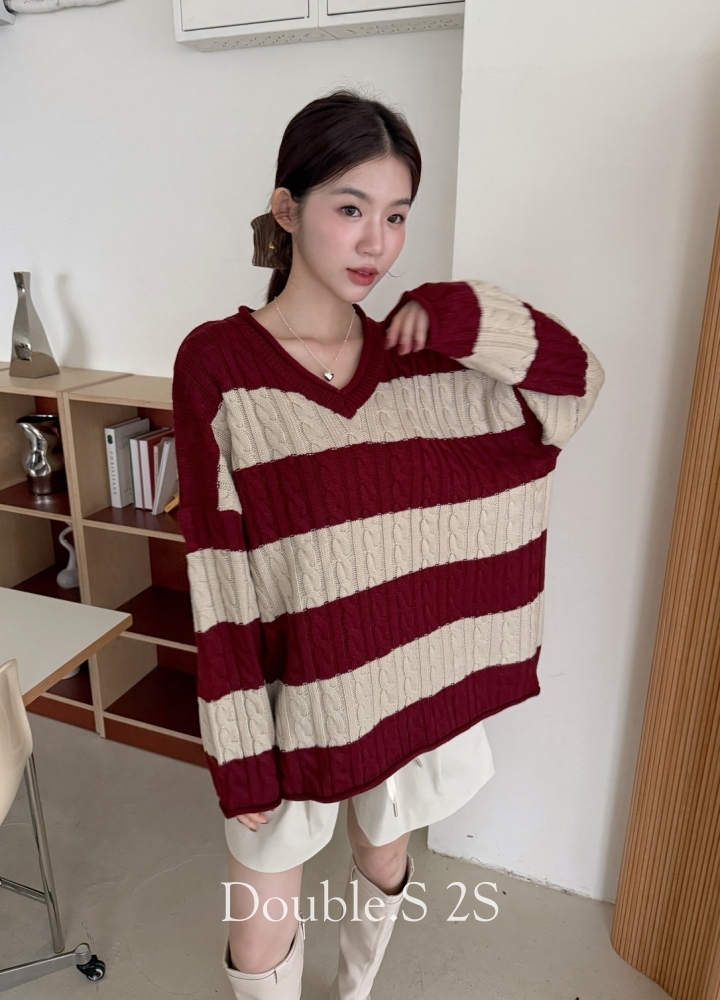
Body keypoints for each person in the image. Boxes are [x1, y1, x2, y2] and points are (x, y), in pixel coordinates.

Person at [171, 87, 605, 1000]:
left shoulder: (425, 365)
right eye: (350, 208)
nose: (376, 242)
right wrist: (240, 753)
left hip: (403, 682)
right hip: (295, 692)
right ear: (287, 209)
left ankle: (355, 993)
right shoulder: (219, 365)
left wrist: (468, 315)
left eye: (397, 215)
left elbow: (575, 387)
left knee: (384, 857)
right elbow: (219, 567)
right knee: (261, 923)